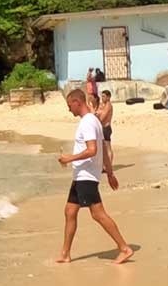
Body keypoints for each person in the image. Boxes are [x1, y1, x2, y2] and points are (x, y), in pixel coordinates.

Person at [55, 88, 133, 264]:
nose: (69, 110)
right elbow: (104, 149)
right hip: (81, 176)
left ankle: (124, 248)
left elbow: (93, 150)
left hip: (86, 176)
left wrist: (69, 158)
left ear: (77, 102)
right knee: (70, 211)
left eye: (69, 105)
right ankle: (65, 253)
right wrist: (110, 173)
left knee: (98, 214)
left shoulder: (88, 123)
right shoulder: (94, 121)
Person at [96, 88, 120, 190]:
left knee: (107, 148)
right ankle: (104, 166)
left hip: (106, 127)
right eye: (102, 96)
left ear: (109, 97)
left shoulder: (108, 106)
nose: (102, 98)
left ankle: (108, 166)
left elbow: (102, 117)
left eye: (104, 96)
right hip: (102, 128)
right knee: (103, 148)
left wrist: (98, 115)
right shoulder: (102, 105)